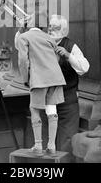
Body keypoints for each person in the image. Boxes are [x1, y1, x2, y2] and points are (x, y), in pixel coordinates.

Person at [17, 11, 66, 156]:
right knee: (52, 111)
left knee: (34, 109)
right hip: (56, 78)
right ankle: (51, 146)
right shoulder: (49, 38)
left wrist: (26, 79)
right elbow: (56, 57)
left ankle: (38, 145)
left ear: (31, 23)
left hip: (39, 80)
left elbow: (22, 61)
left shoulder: (24, 37)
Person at [48, 15, 90, 159]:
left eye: (55, 27)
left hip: (67, 98)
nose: (51, 29)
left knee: (67, 138)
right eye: (50, 26)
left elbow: (84, 67)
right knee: (46, 138)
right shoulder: (41, 41)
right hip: (47, 97)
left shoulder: (71, 45)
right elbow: (20, 45)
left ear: (63, 30)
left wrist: (68, 55)